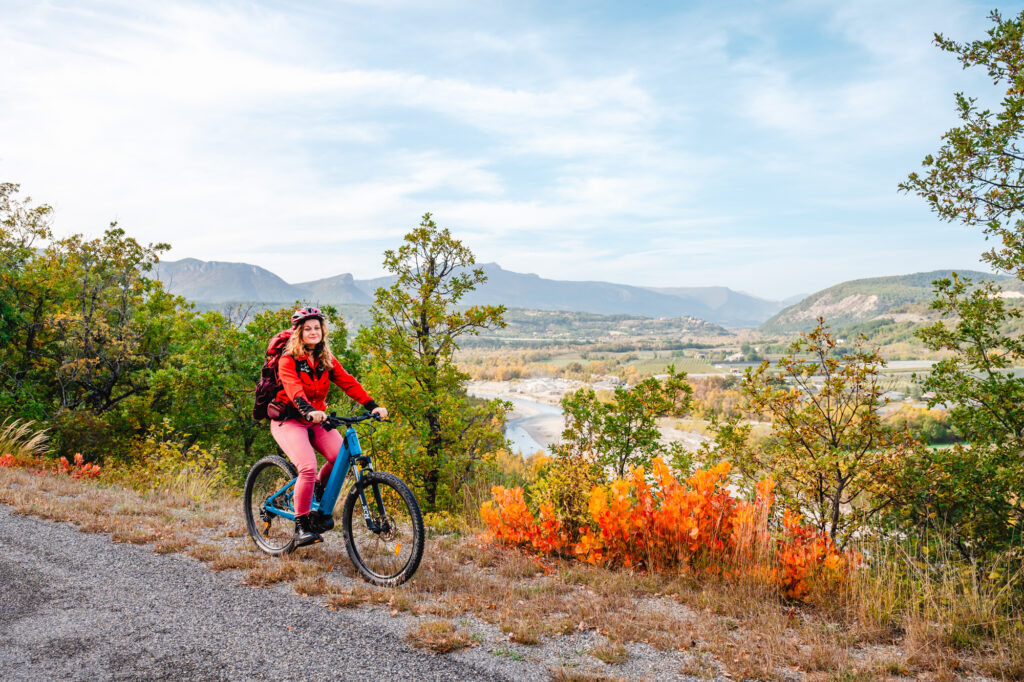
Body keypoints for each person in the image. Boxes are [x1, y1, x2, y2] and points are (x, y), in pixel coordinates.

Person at [269, 306, 387, 547]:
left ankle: (317, 491)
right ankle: (301, 525)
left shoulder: (325, 359)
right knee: (308, 467)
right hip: (289, 420)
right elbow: (293, 389)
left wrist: (372, 405)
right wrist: (308, 410)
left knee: (339, 458)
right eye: (308, 329)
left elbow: (348, 382)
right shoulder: (288, 360)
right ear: (299, 333)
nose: (313, 332)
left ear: (323, 331)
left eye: (317, 328)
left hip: (317, 419)